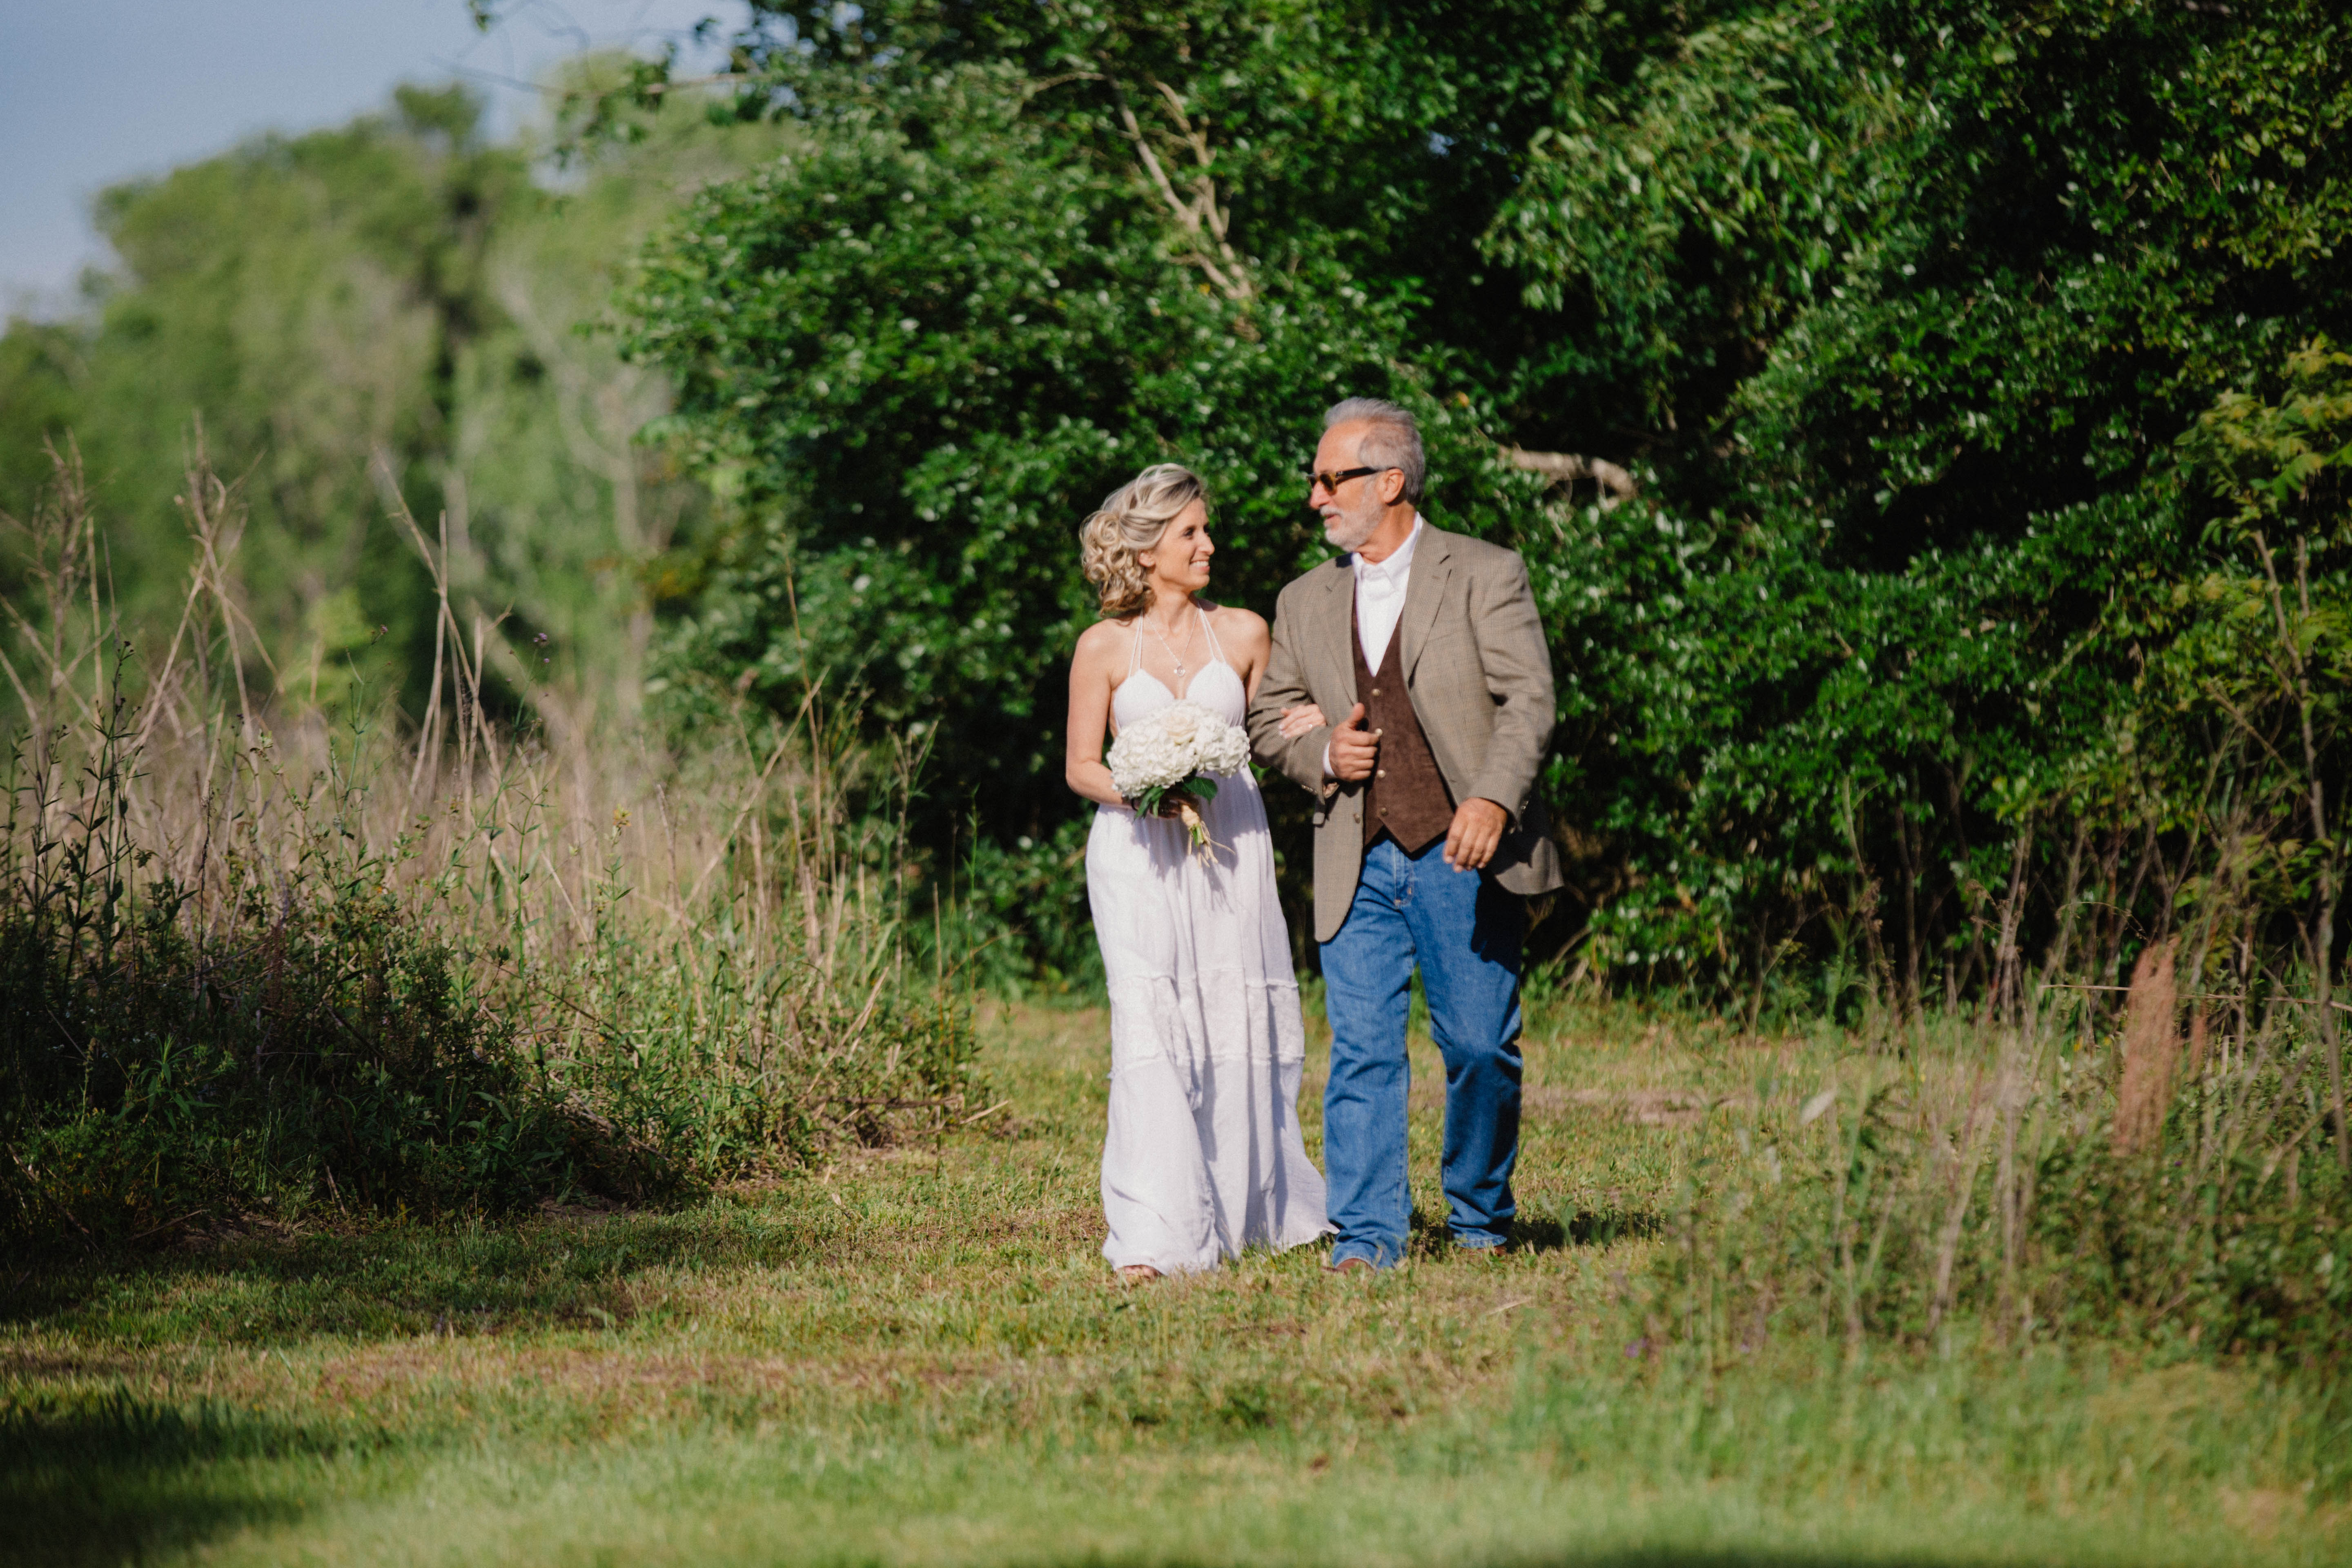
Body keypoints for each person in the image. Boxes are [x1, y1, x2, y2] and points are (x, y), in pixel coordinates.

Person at [1247, 399, 1562, 1272]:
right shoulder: (1304, 599)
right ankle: (1369, 1238)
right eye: (1315, 480)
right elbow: (1269, 715)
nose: (1315, 496)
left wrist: (1495, 800)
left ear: (1389, 482)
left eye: (1329, 478)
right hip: (1355, 852)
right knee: (1363, 1052)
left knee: (1479, 1047)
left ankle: (1479, 1219)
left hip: (1467, 851)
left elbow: (1530, 701)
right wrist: (1319, 750)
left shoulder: (1487, 572)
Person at [1064, 463, 1328, 1280]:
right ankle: (1155, 1230)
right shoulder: (1102, 646)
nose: (1208, 544)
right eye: (1191, 534)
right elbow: (1079, 766)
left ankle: (1249, 1205)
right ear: (1147, 550)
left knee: (1232, 1014)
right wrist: (1144, 792)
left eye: (1207, 530)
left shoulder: (1245, 632)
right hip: (1136, 853)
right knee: (1152, 1023)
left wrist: (1314, 719)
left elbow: (1280, 726)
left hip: (1231, 850)